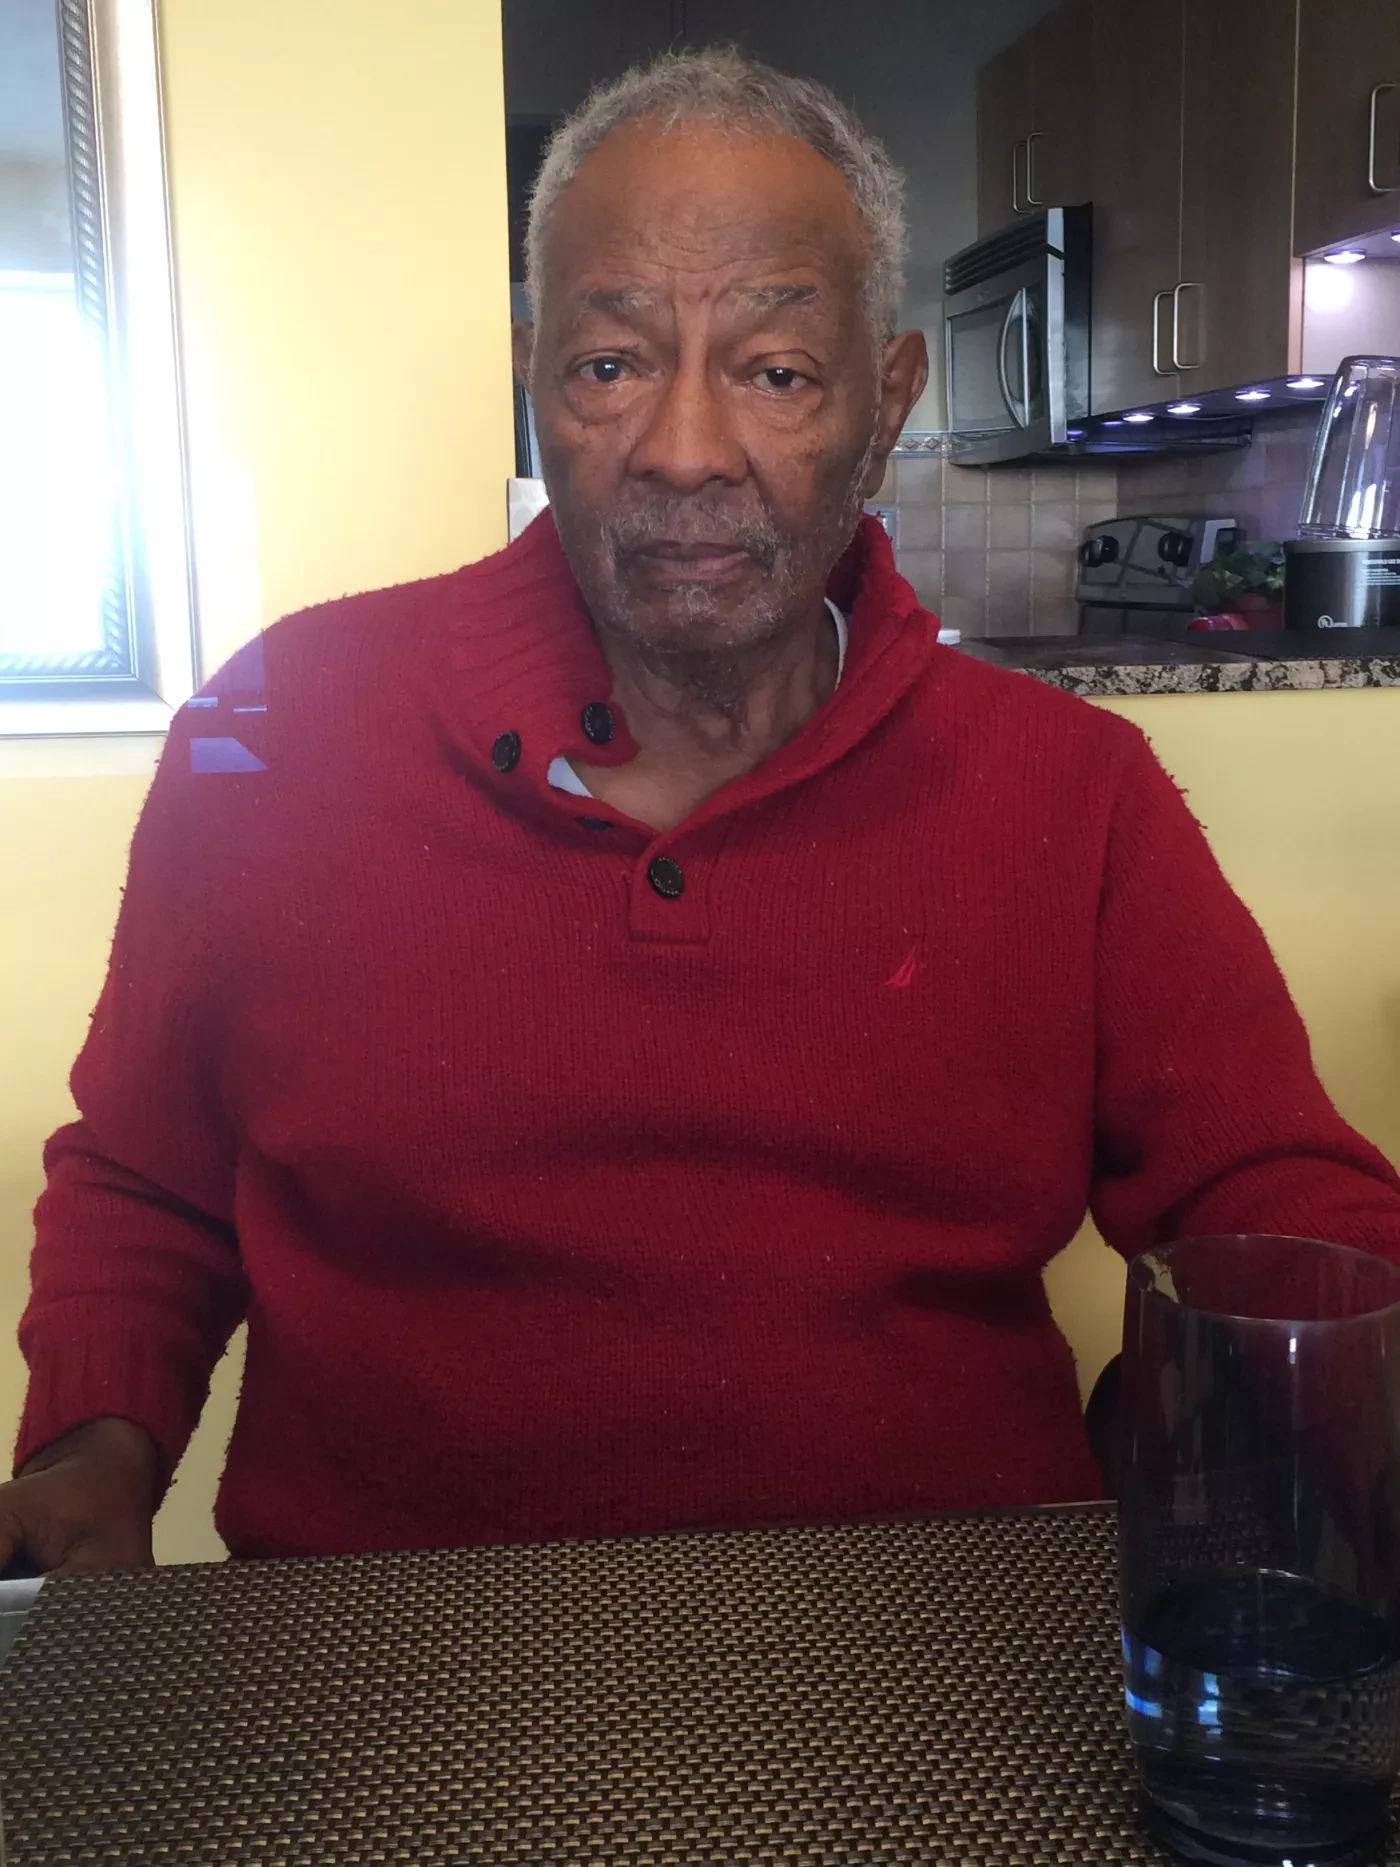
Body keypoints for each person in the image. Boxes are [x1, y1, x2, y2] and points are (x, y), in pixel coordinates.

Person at [5, 47, 1400, 1577]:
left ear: (888, 400)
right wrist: (90, 1454)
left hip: (957, 1641)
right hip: (383, 1651)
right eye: (611, 366)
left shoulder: (1073, 795)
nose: (683, 449)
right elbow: (146, 1177)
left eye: (776, 371)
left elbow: (1278, 1202)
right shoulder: (276, 735)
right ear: (535, 379)